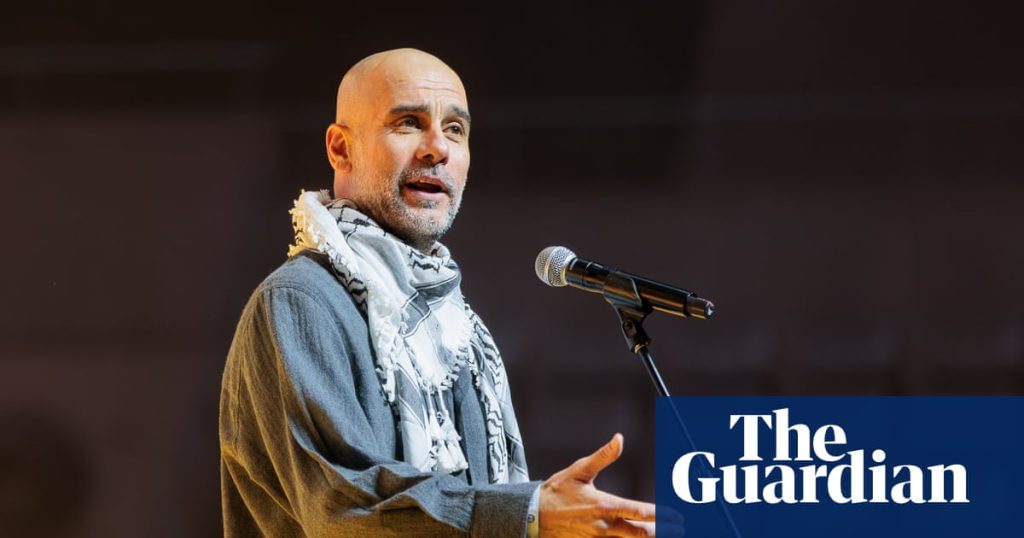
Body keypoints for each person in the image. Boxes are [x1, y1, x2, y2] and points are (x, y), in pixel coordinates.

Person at [219, 48, 656, 537]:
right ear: (341, 149)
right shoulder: (302, 300)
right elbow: (341, 506)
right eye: (408, 123)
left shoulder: (459, 329)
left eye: (455, 129)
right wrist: (529, 514)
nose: (437, 148)